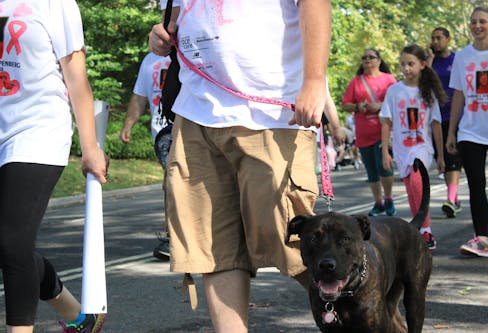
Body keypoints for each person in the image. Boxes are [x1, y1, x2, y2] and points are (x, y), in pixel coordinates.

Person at [149, 0, 331, 331]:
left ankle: (367, 312)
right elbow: (174, 20)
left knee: (290, 240)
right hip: (196, 110)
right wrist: (160, 36)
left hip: (271, 111)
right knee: (213, 247)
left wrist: (315, 80)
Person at [0, 1, 108, 332]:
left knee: (12, 243)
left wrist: (90, 148)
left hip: (38, 129)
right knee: (9, 245)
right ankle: (79, 317)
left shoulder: (54, 3)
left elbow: (77, 79)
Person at [380, 44, 447, 250]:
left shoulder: (428, 93)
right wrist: (385, 151)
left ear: (422, 65)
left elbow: (436, 125)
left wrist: (441, 156)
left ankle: (426, 231)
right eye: (403, 64)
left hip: (422, 147)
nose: (406, 68)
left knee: (419, 184)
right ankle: (418, 230)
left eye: (411, 64)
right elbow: (386, 121)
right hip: (401, 149)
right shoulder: (394, 91)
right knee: (411, 191)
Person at [446, 6, 488, 258]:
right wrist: (452, 132)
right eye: (473, 22)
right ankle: (482, 240)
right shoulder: (463, 57)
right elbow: (458, 95)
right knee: (476, 186)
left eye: (482, 21)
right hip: (471, 131)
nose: (477, 26)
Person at [120, 51, 172, 261]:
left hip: (187, 127)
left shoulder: (189, 47)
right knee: (172, 183)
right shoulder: (151, 60)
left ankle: (177, 238)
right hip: (161, 134)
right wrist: (128, 124)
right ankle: (175, 237)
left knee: (174, 181)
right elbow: (140, 96)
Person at [341, 49, 397, 216]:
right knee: (371, 170)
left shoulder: (389, 80)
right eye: (364, 57)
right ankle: (378, 202)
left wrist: (380, 106)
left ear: (379, 60)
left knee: (384, 166)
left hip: (383, 131)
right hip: (364, 132)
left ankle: (388, 198)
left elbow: (397, 101)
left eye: (371, 57)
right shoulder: (356, 82)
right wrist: (358, 107)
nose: (367, 60)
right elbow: (345, 104)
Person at [427, 27, 463, 218]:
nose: (435, 41)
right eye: (433, 38)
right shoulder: (430, 62)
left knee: (453, 158)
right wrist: (430, 58)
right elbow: (426, 80)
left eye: (439, 38)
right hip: (435, 118)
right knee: (443, 161)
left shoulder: (457, 59)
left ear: (448, 39)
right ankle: (454, 198)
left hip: (455, 116)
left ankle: (451, 198)